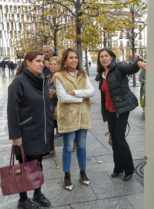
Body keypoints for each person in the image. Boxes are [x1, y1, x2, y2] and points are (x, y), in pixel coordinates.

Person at [7, 51, 53, 209]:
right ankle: (23, 199)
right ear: (27, 62)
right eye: (37, 61)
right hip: (26, 133)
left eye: (42, 61)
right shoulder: (18, 82)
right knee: (23, 167)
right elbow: (12, 111)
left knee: (38, 164)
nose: (41, 63)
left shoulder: (42, 80)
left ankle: (37, 193)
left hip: (41, 131)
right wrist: (15, 135)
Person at [96, 48, 146, 181]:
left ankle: (129, 169)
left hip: (122, 108)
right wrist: (105, 112)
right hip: (109, 110)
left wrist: (139, 62)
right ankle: (118, 168)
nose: (104, 58)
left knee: (120, 138)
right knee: (114, 139)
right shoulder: (101, 74)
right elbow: (104, 95)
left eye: (106, 56)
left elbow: (131, 68)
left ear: (111, 57)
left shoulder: (118, 67)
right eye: (101, 57)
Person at [53, 48, 94, 191]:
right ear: (65, 60)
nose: (74, 60)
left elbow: (92, 91)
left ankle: (83, 173)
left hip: (83, 116)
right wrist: (83, 97)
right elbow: (62, 97)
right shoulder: (59, 76)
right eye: (70, 58)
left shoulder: (83, 73)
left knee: (82, 146)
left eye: (76, 57)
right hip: (68, 117)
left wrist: (76, 93)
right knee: (68, 147)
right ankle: (67, 175)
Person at [44, 56, 61, 158]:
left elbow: (67, 91)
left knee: (62, 128)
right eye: (51, 64)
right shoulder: (47, 77)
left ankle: (74, 144)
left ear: (59, 65)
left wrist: (54, 92)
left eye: (55, 64)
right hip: (49, 106)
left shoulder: (61, 77)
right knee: (49, 129)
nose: (52, 66)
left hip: (59, 106)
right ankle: (51, 150)